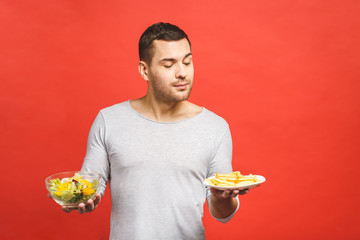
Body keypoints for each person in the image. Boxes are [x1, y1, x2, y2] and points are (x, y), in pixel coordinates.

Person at [62, 22, 249, 239]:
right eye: (169, 65)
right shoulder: (109, 120)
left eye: (187, 62)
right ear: (144, 70)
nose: (182, 73)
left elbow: (222, 214)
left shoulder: (215, 128)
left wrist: (222, 197)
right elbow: (90, 184)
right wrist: (79, 198)